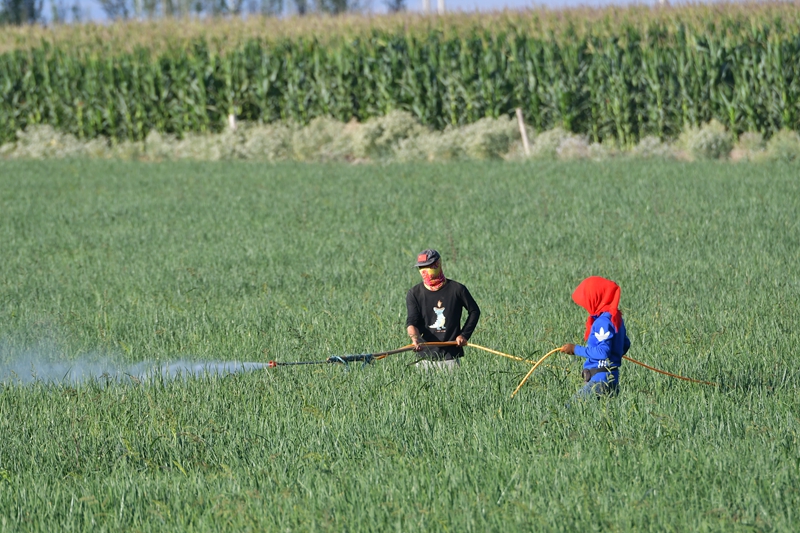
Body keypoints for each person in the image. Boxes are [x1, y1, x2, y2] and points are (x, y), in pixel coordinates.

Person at [405, 249, 480, 370]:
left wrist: (464, 335)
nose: (424, 271)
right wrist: (415, 338)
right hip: (424, 357)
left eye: (428, 266)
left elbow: (474, 311)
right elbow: (412, 321)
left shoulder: (457, 289)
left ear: (437, 264)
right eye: (421, 267)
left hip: (450, 356)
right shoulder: (414, 293)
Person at [560, 276, 631, 400]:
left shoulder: (602, 322)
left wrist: (575, 349)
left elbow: (602, 352)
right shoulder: (615, 318)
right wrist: (613, 356)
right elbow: (625, 344)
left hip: (599, 380)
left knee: (569, 410)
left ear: (596, 298)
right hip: (612, 380)